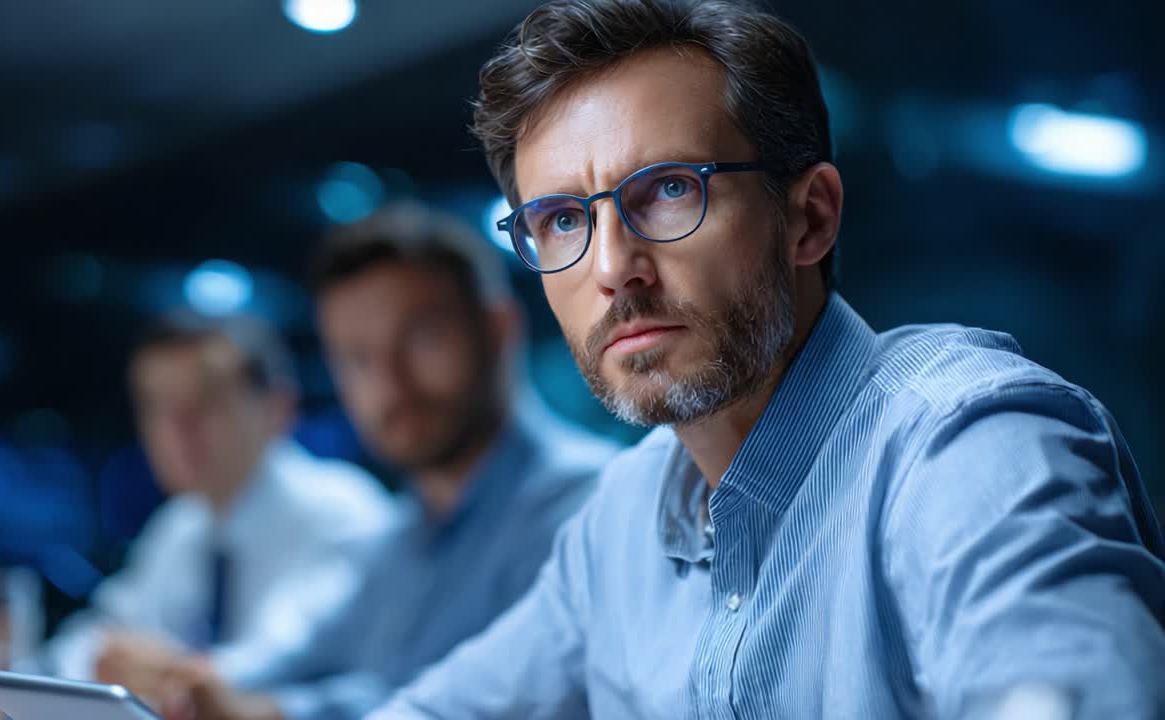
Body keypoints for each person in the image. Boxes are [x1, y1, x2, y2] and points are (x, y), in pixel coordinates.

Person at [367, 1, 1165, 718]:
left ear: (810, 218)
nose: (613, 268)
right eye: (564, 220)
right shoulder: (621, 521)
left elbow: (1060, 683)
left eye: (670, 190)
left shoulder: (964, 446)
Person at [142, 204, 617, 720]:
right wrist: (188, 682)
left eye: (422, 338)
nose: (391, 384)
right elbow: (301, 654)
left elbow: (478, 701)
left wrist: (270, 711)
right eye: (358, 358)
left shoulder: (589, 508)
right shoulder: (397, 540)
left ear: (499, 329)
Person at [48, 311, 395, 683]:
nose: (176, 428)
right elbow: (95, 633)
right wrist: (102, 660)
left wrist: (166, 672)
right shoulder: (180, 525)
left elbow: (288, 664)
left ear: (279, 408)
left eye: (206, 401)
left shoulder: (343, 514)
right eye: (157, 405)